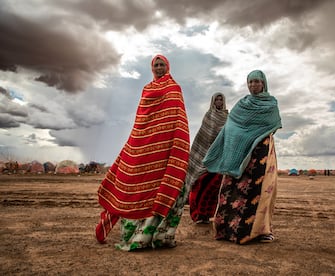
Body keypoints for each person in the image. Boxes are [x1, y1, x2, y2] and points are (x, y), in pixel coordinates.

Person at [95, 54, 190, 250]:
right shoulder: (146, 89)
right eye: (156, 65)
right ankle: (139, 238)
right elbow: (141, 121)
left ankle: (161, 237)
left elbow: (178, 120)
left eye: (162, 64)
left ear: (168, 66)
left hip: (166, 150)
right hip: (144, 146)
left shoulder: (174, 89)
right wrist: (136, 144)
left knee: (165, 190)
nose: (159, 68)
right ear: (152, 68)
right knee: (136, 187)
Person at [203, 70, 282, 244]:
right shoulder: (242, 104)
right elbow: (230, 127)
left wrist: (253, 135)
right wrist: (239, 142)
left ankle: (261, 231)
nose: (253, 85)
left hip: (261, 153)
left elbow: (273, 126)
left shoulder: (271, 104)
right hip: (238, 155)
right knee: (233, 190)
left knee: (261, 191)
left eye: (256, 81)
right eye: (250, 82)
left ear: (263, 83)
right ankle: (227, 230)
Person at [186, 92, 228, 224]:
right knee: (200, 185)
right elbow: (203, 136)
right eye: (217, 100)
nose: (219, 102)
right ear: (213, 101)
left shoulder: (228, 117)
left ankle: (207, 215)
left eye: (221, 100)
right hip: (204, 156)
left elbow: (228, 135)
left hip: (219, 158)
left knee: (214, 187)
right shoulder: (208, 115)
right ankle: (198, 215)